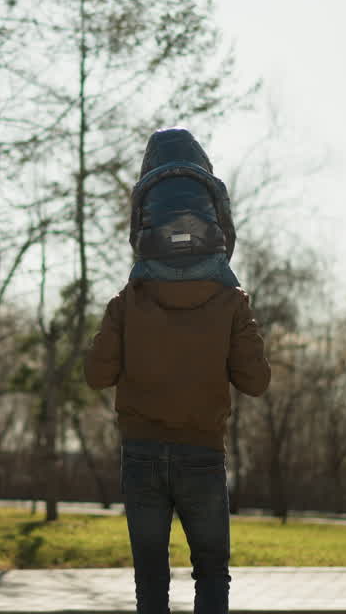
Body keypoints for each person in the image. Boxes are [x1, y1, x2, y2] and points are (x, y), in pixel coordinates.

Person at [85, 128, 271, 614]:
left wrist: (116, 321)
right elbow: (256, 381)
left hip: (142, 455)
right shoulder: (230, 302)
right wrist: (242, 317)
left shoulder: (127, 303)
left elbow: (97, 375)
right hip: (202, 455)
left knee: (151, 578)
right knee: (211, 572)